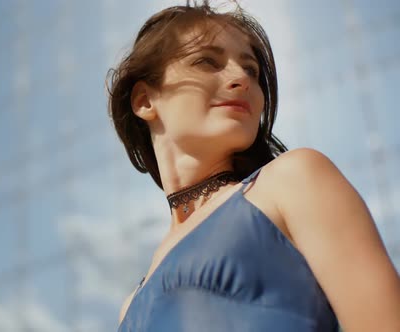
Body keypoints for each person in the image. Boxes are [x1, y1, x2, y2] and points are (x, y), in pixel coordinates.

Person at [106, 1, 400, 331]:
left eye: (251, 70)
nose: (240, 79)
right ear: (145, 101)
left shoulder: (295, 179)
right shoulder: (130, 308)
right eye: (207, 61)